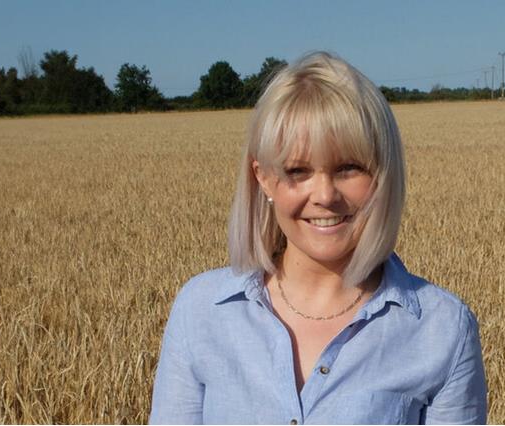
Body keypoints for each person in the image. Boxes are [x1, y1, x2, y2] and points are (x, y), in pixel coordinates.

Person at [149, 51, 487, 424]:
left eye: (349, 167)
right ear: (263, 178)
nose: (325, 195)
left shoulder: (442, 329)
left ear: (383, 174)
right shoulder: (202, 310)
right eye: (298, 170)